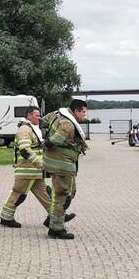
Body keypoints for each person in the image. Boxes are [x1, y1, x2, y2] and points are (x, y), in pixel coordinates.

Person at [0, 106, 74, 229]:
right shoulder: (24, 130)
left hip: (35, 171)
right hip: (26, 170)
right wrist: (41, 163)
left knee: (45, 193)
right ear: (29, 116)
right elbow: (25, 150)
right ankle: (6, 218)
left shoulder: (32, 129)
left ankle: (54, 216)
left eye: (39, 115)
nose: (39, 118)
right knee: (18, 194)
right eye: (36, 115)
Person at [42, 99, 89, 240]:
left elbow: (43, 121)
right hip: (62, 165)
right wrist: (46, 143)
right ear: (76, 111)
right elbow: (55, 140)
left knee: (70, 192)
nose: (85, 115)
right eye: (83, 112)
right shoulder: (68, 124)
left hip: (61, 165)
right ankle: (56, 229)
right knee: (62, 196)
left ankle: (52, 219)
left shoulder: (56, 115)